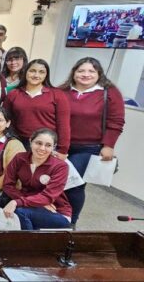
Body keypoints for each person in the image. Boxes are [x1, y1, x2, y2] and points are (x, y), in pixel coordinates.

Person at [59, 57, 125, 225]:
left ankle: (70, 223)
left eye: (91, 71)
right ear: (74, 73)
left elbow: (116, 121)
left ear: (99, 74)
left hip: (88, 148)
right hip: (60, 147)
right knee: (55, 182)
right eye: (81, 71)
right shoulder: (62, 91)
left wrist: (108, 145)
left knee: (72, 183)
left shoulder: (109, 92)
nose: (85, 74)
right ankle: (58, 217)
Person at [2, 129, 72, 230]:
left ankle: (31, 243)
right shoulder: (19, 158)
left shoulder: (61, 166)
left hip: (56, 211)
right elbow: (7, 185)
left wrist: (16, 202)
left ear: (53, 147)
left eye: (48, 145)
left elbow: (48, 197)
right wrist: (34, 203)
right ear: (30, 141)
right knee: (1, 221)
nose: (42, 148)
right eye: (38, 143)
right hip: (30, 205)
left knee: (19, 213)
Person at [4, 59, 70, 158]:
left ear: (46, 75)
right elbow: (7, 120)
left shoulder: (57, 95)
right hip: (19, 143)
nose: (36, 75)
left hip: (46, 145)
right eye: (32, 71)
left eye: (41, 72)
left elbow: (63, 125)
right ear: (26, 72)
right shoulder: (14, 94)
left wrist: (63, 150)